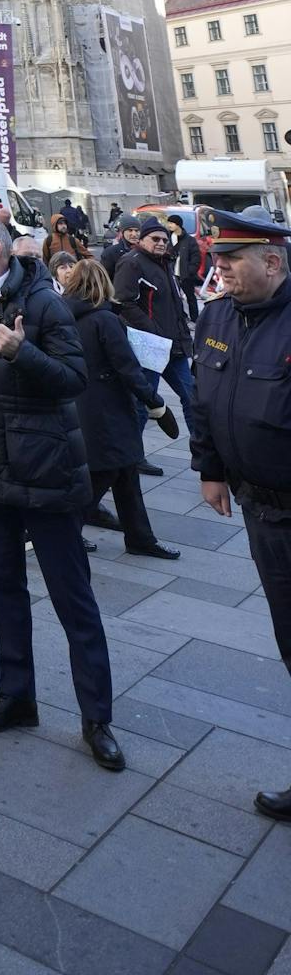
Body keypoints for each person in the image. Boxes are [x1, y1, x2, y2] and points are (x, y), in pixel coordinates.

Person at [0, 216, 125, 772]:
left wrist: (23, 352)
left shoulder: (45, 303)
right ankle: (16, 695)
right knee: (3, 589)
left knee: (74, 601)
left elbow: (74, 380)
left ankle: (97, 719)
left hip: (46, 472)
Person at [190, 206, 291, 821]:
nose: (218, 269)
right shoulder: (219, 316)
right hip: (261, 512)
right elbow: (205, 398)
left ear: (273, 262)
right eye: (217, 259)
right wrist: (210, 467)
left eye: (231, 260)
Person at [60, 258, 179, 558]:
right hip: (109, 409)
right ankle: (63, 532)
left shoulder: (62, 315)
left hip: (82, 405)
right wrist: (155, 401)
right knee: (106, 475)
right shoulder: (104, 320)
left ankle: (140, 538)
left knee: (126, 474)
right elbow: (127, 367)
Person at [114, 216, 196, 435]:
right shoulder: (132, 262)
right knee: (143, 402)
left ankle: (202, 451)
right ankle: (134, 457)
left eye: (164, 239)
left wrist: (184, 336)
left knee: (192, 398)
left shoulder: (165, 262)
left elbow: (174, 304)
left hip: (174, 346)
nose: (161, 243)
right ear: (141, 240)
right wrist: (152, 331)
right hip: (149, 347)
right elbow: (123, 302)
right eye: (155, 239)